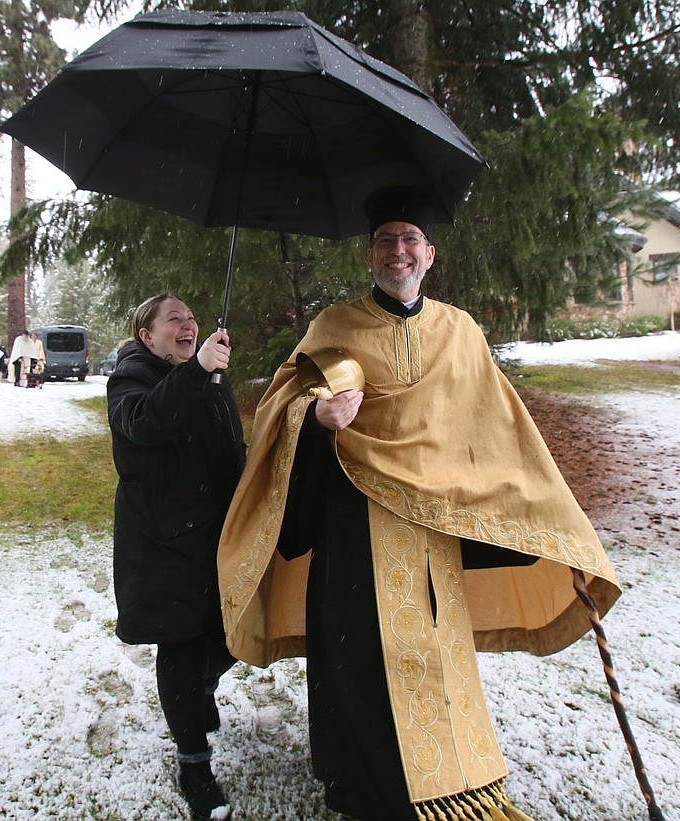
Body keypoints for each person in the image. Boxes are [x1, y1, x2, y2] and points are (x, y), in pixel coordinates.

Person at [217, 187, 622, 821]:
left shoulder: (460, 331)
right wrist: (316, 416)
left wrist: (549, 520)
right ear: (369, 253)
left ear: (429, 255)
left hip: (436, 527)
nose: (396, 251)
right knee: (356, 655)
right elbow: (280, 406)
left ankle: (451, 777)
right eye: (385, 240)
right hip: (354, 521)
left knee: (433, 650)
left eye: (409, 240)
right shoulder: (335, 326)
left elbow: (499, 427)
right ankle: (362, 785)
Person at [107, 293, 244, 821]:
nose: (189, 325)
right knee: (183, 645)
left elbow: (229, 444)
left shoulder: (207, 373)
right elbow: (145, 422)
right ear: (148, 335)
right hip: (165, 541)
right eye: (175, 319)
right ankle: (194, 764)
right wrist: (198, 373)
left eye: (192, 316)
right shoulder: (131, 377)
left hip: (216, 534)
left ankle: (198, 689)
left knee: (228, 634)